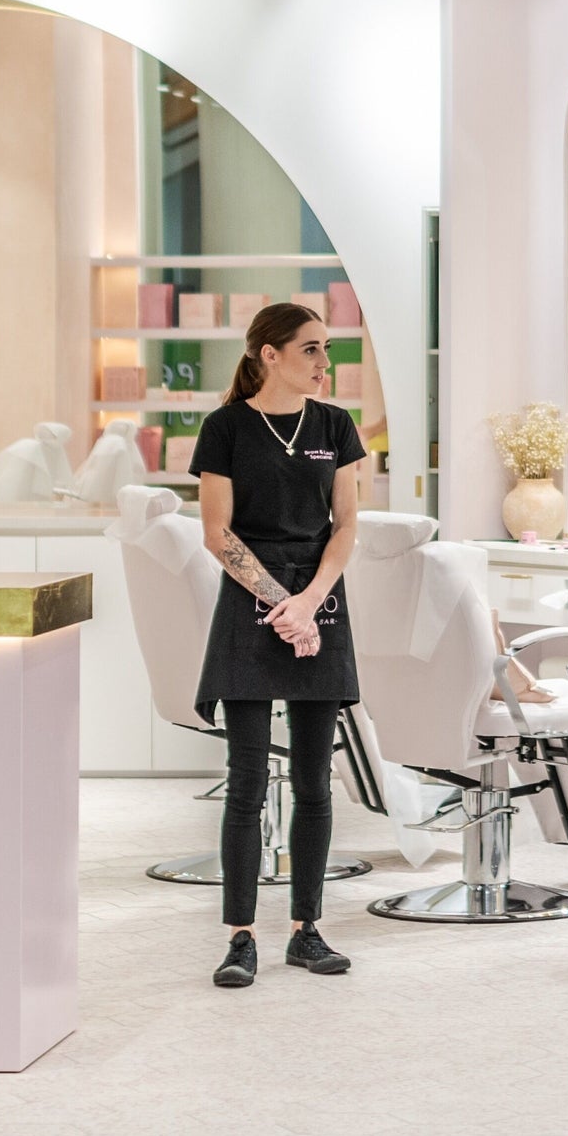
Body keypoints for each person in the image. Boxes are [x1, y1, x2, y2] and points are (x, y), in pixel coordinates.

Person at [189, 299, 368, 988]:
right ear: (270, 353)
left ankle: (306, 928)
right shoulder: (226, 428)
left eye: (328, 349)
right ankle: (240, 936)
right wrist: (278, 602)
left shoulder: (335, 426)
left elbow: (346, 525)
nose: (326, 363)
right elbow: (217, 534)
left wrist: (310, 602)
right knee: (247, 783)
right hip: (252, 604)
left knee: (316, 782)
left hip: (317, 601)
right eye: (312, 349)